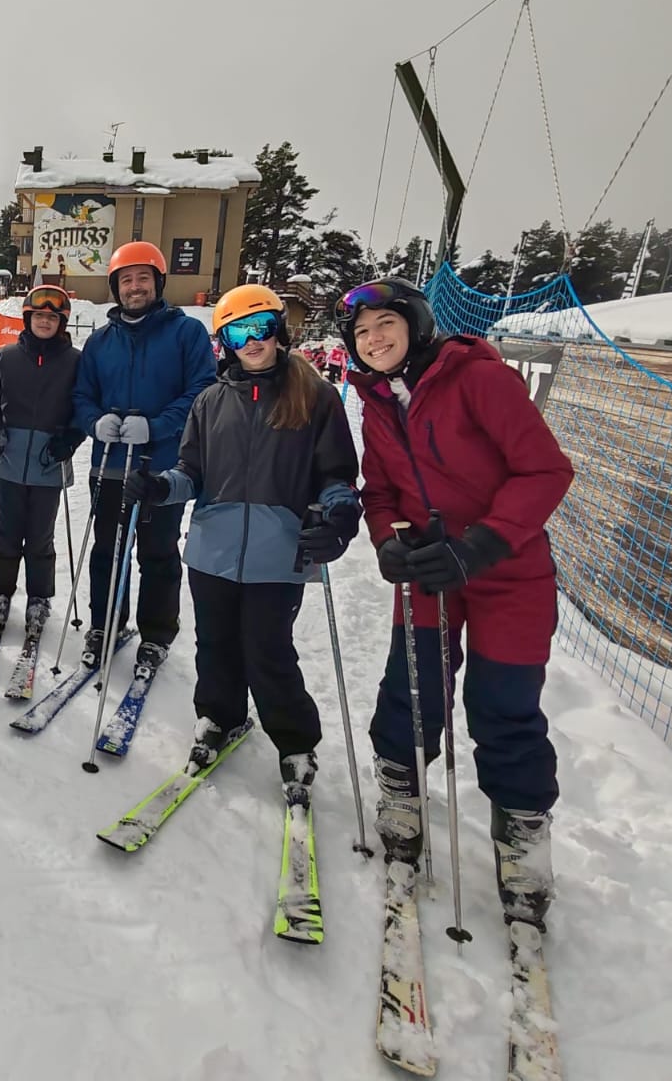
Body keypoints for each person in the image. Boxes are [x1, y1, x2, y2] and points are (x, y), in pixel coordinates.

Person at [339, 277, 574, 929]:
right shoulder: (377, 400)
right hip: (428, 566)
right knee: (411, 686)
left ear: (415, 324)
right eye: (361, 334)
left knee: (504, 702)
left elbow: (546, 470)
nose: (373, 340)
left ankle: (521, 829)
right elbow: (379, 491)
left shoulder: (480, 380)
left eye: (385, 324)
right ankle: (402, 787)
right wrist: (387, 540)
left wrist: (482, 545)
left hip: (507, 570)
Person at [125, 284, 360, 797]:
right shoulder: (210, 401)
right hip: (213, 551)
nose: (251, 341)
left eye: (260, 328)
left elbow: (336, 474)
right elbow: (191, 472)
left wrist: (339, 508)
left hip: (279, 554)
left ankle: (295, 743)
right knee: (215, 645)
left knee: (268, 651)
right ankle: (218, 716)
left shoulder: (314, 396)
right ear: (224, 342)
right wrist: (162, 487)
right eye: (237, 333)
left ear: (279, 330)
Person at [71, 241, 217, 677]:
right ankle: (106, 623)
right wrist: (95, 422)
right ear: (116, 287)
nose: (135, 287)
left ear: (158, 282)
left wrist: (157, 425)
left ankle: (156, 633)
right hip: (111, 465)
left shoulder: (186, 333)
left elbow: (202, 391)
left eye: (143, 278)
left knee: (158, 553)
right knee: (108, 551)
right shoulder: (99, 342)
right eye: (126, 280)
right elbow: (82, 395)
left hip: (163, 468)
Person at [0, 283, 85, 634]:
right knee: (7, 533)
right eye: (38, 315)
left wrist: (71, 437)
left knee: (41, 536)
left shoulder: (75, 362)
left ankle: (39, 597)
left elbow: (83, 404)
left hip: (49, 461)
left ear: (62, 323)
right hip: (9, 458)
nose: (44, 322)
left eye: (52, 318)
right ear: (27, 319)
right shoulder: (6, 356)